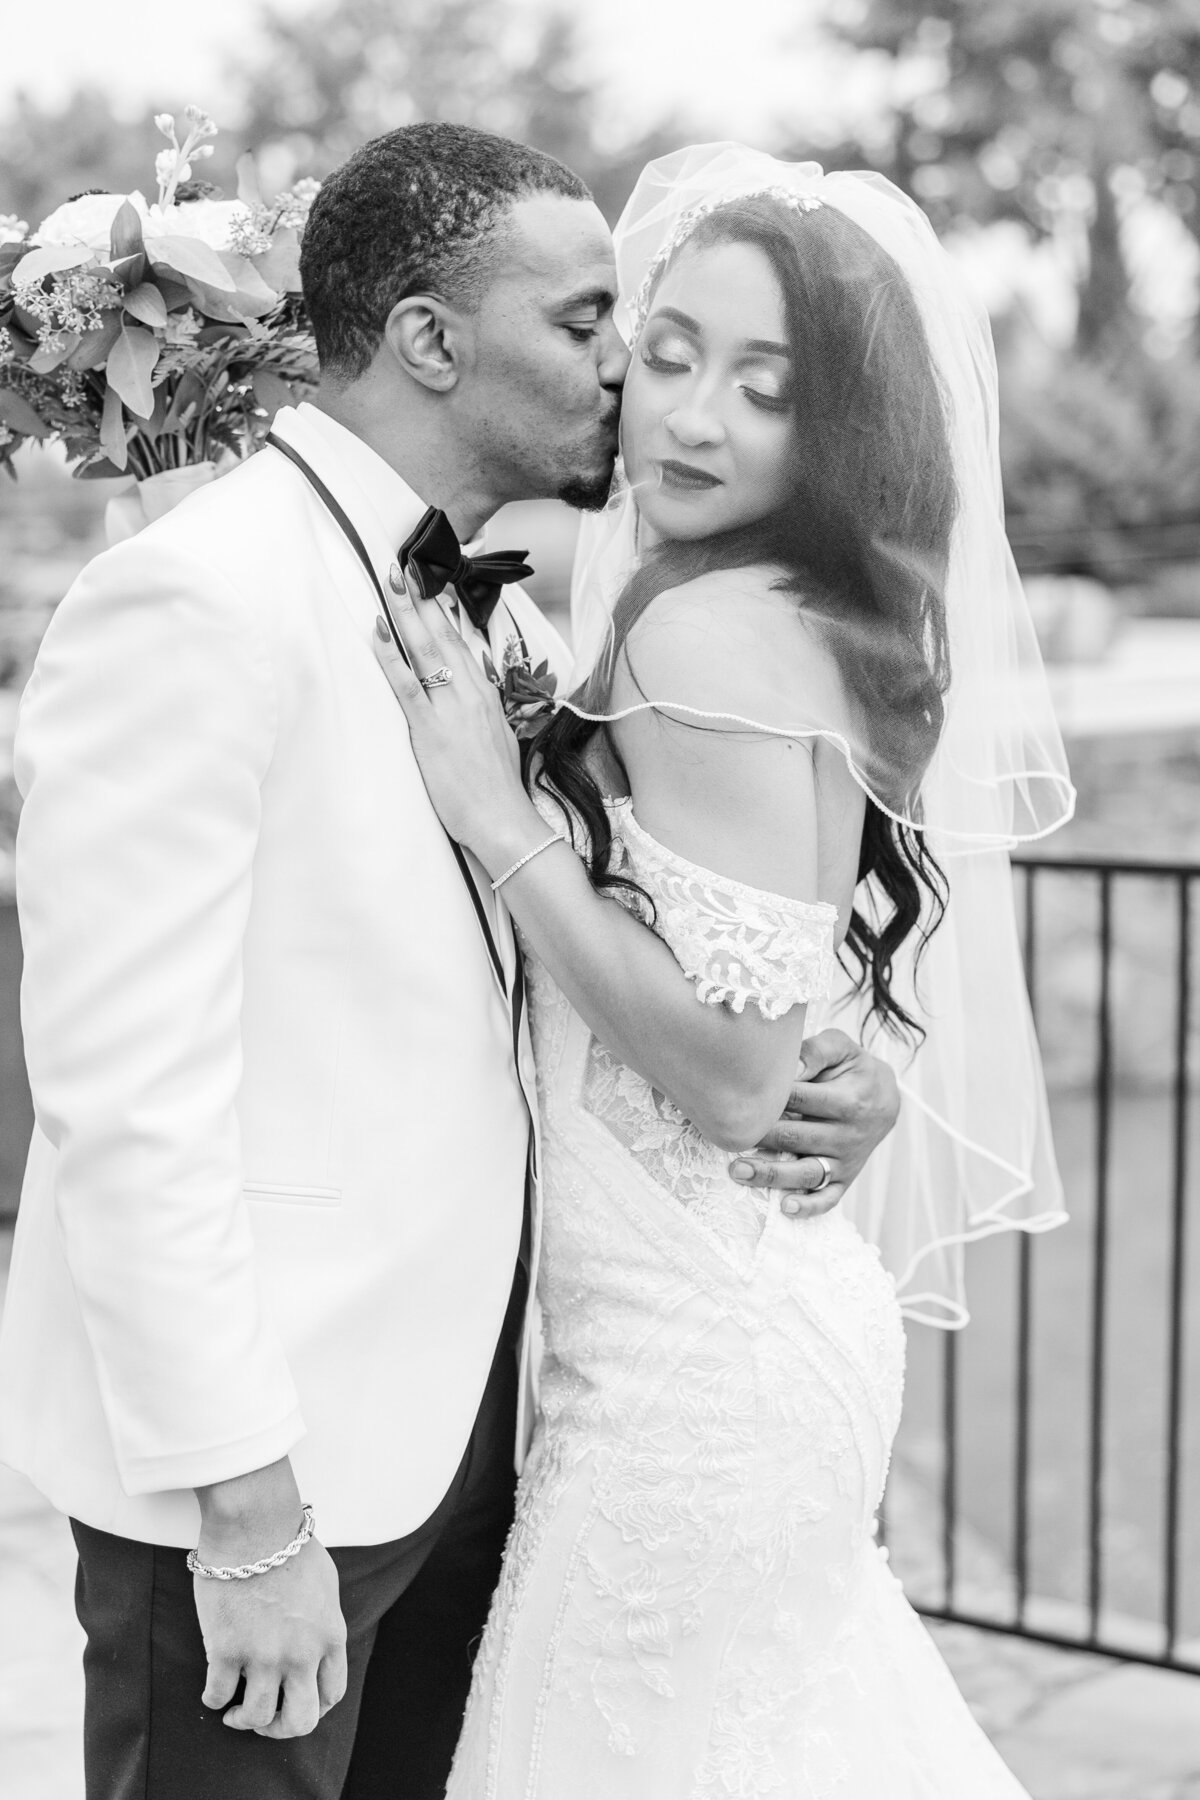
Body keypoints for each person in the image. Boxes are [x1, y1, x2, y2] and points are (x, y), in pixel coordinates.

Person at [0, 125, 902, 1800]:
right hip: (267, 1485)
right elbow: (127, 1105)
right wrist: (246, 1507)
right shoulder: (191, 606)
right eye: (583, 323)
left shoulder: (500, 614)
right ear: (428, 341)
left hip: (471, 1437)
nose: (625, 366)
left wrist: (845, 1068)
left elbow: (645, 941)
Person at [370, 143, 1073, 1795]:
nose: (689, 417)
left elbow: (740, 1070)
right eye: (668, 354)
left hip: (697, 1369)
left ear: (837, 429)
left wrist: (494, 812)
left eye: (762, 389)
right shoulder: (762, 605)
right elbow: (772, 978)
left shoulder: (703, 635)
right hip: (732, 1324)